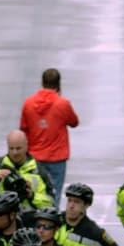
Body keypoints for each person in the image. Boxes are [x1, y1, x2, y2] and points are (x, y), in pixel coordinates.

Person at [18, 68, 79, 205]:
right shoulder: (62, 104)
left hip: (35, 157)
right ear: (58, 84)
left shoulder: (28, 103)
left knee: (34, 193)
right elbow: (74, 122)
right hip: (57, 157)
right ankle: (51, 223)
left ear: (42, 82)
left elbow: (23, 128)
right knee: (54, 195)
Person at [0, 128, 45, 203]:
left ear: (26, 146)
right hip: (0, 213)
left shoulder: (38, 169)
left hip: (28, 213)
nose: (15, 152)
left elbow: (50, 202)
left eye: (18, 148)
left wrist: (32, 196)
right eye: (11, 148)